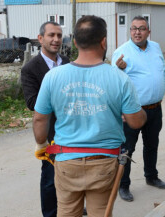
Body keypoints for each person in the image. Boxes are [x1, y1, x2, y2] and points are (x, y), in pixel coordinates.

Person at [32, 15, 147, 216]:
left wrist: (41, 144)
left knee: (66, 211)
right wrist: (142, 112)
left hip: (66, 161)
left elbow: (40, 118)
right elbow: (135, 121)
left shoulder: (53, 77)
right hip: (104, 162)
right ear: (104, 41)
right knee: (101, 212)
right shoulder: (119, 78)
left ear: (75, 42)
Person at [111, 15, 165, 202]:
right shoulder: (121, 52)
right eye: (134, 28)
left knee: (152, 145)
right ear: (130, 31)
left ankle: (151, 176)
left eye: (142, 28)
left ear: (148, 31)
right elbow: (114, 85)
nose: (137, 32)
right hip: (132, 111)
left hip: (155, 109)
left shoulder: (156, 47)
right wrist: (119, 70)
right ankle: (123, 185)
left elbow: (162, 72)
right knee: (127, 149)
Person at [21, 21, 70, 217]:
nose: (56, 39)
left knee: (72, 173)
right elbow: (32, 102)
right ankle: (50, 213)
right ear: (40, 38)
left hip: (74, 128)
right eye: (51, 35)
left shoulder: (67, 62)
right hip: (51, 133)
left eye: (59, 35)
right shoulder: (30, 69)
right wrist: (62, 94)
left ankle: (72, 207)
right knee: (51, 179)